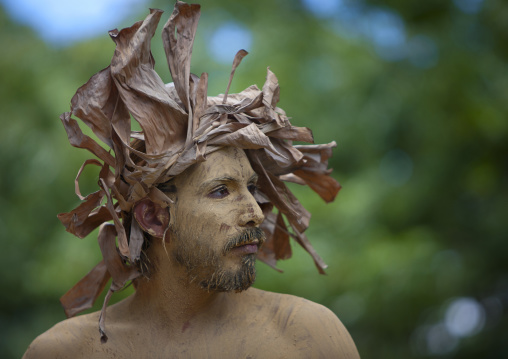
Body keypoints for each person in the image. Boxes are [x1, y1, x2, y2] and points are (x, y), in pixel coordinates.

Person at [23, 2, 360, 358]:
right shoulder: (66, 351)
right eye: (220, 191)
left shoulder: (309, 336)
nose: (255, 213)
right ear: (153, 217)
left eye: (252, 189)